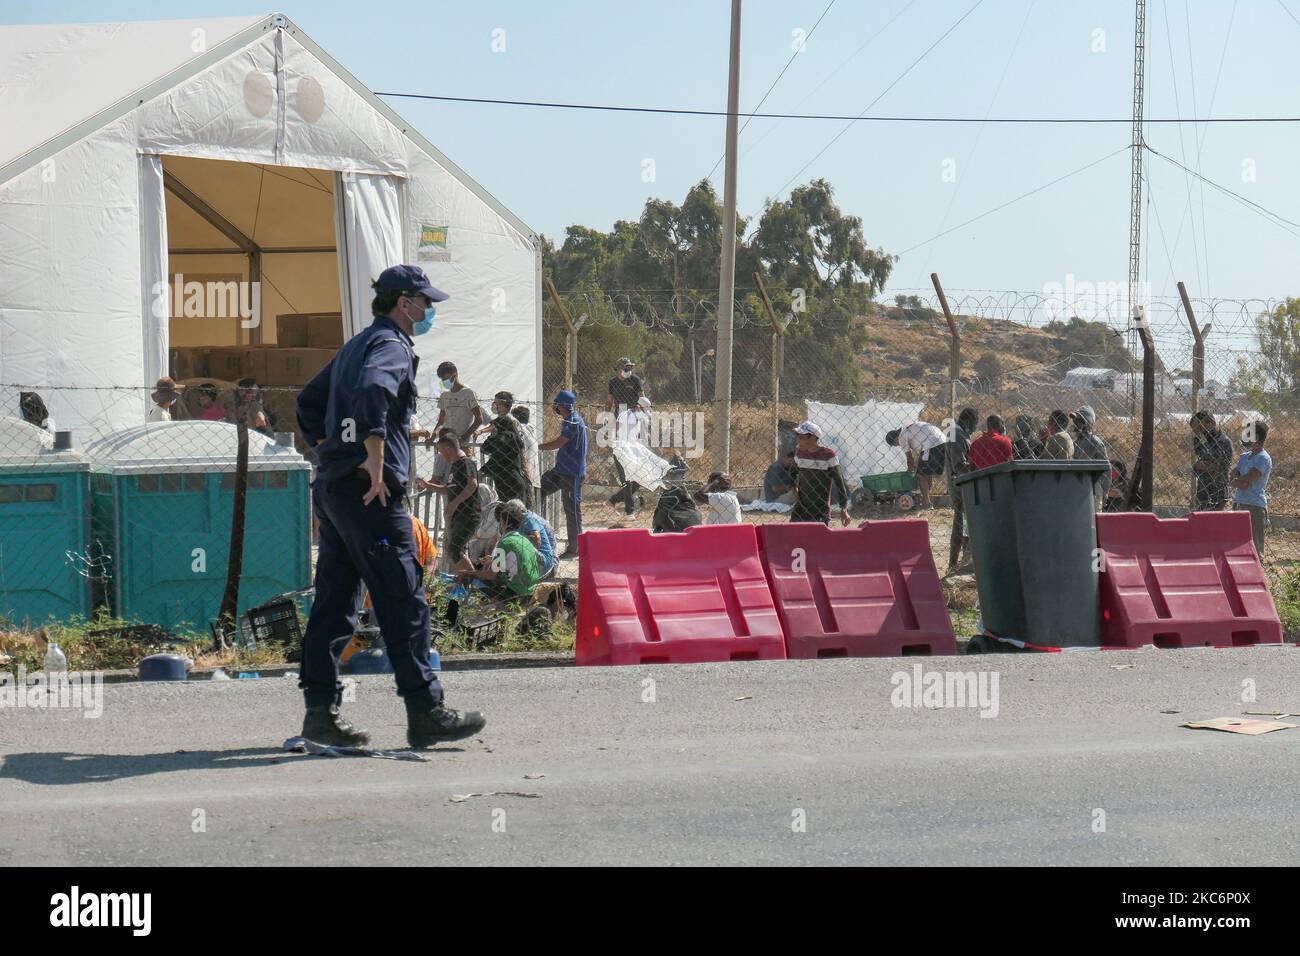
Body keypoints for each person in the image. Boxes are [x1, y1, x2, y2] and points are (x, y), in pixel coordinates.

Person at [295, 263, 484, 749]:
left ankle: (320, 714)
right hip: (371, 495)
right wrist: (373, 459)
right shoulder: (391, 346)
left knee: (335, 602)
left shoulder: (355, 344)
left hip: (337, 490)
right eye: (426, 304)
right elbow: (376, 390)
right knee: (403, 598)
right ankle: (426, 712)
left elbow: (308, 402)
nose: (428, 312)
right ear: (405, 304)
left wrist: (332, 452)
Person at [537, 390, 587, 559]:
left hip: (572, 473)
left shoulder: (573, 421)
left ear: (563, 405)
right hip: (561, 470)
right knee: (539, 487)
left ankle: (575, 548)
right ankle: (540, 530)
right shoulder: (569, 419)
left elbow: (560, 442)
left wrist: (539, 447)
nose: (555, 407)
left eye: (557, 404)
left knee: (572, 510)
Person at [459, 502, 541, 603]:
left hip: (514, 593)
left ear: (504, 522)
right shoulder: (524, 540)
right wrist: (492, 560)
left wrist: (470, 573)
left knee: (473, 584)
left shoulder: (505, 542)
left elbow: (490, 575)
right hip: (530, 592)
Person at [423, 434, 481, 566]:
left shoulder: (465, 462)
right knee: (455, 550)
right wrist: (428, 485)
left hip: (468, 514)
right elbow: (449, 489)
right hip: (458, 515)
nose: (441, 455)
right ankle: (463, 580)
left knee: (455, 549)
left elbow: (472, 484)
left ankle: (471, 580)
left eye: (441, 451)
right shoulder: (454, 466)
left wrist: (454, 504)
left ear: (448, 449)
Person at [791, 421, 851, 526]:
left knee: (818, 538)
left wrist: (844, 508)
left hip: (820, 510)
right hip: (801, 508)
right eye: (798, 437)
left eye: (802, 437)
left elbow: (840, 483)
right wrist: (794, 488)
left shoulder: (828, 456)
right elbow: (793, 472)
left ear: (813, 438)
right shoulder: (799, 453)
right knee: (794, 535)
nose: (799, 441)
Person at [479, 390, 529, 505]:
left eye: (498, 404)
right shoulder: (502, 432)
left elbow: (499, 455)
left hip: (511, 478)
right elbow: (486, 448)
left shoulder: (508, 426)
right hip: (505, 478)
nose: (495, 406)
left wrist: (483, 470)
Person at [1231, 420, 1271, 558]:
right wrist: (1238, 481)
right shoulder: (1244, 457)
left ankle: (1258, 570)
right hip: (1239, 502)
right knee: (1237, 541)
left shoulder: (1263, 458)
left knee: (1255, 543)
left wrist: (1238, 480)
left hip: (1254, 505)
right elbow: (1234, 476)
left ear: (1258, 437)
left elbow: (1248, 479)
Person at [885, 420, 947, 508]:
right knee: (926, 473)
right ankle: (926, 500)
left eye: (896, 445)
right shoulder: (907, 429)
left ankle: (927, 503)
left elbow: (909, 458)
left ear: (895, 439)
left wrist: (909, 472)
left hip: (932, 443)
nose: (898, 445)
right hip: (942, 441)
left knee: (920, 476)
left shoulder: (901, 436)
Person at [608, 394, 653, 515]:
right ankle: (630, 512)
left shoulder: (638, 419)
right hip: (621, 452)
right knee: (627, 481)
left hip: (631, 453)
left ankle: (613, 501)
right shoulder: (626, 415)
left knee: (637, 482)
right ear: (638, 407)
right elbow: (615, 429)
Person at [1191, 410, 1233, 510]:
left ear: (1212, 423)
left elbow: (1216, 467)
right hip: (1203, 492)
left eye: (1200, 428)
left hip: (1217, 492)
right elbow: (1197, 467)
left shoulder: (1223, 441)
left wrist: (1202, 466)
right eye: (1196, 430)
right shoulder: (1202, 441)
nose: (1199, 432)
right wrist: (1198, 466)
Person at [434, 361, 483, 448]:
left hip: (463, 444)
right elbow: (441, 422)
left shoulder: (468, 393)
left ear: (454, 375)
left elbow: (479, 419)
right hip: (446, 442)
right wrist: (432, 437)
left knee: (463, 461)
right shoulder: (444, 395)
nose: (444, 382)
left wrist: (463, 438)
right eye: (442, 380)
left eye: (446, 379)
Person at [1070, 405, 1110, 510]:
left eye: (1078, 421)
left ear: (1087, 423)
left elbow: (1106, 471)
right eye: (1075, 421)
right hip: (1078, 489)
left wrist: (1105, 493)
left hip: (1094, 491)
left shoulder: (1095, 443)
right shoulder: (1075, 442)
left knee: (1094, 522)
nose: (1075, 424)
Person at [506, 498, 558, 578]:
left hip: (545, 560)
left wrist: (518, 539)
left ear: (519, 511)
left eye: (513, 513)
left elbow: (537, 540)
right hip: (545, 558)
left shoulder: (529, 519)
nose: (512, 516)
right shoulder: (525, 518)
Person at [652, 454, 703, 533]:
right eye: (683, 461)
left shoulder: (673, 471)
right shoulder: (675, 470)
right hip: (676, 489)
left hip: (674, 489)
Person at [511, 405, 541, 505]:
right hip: (533, 475)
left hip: (522, 474)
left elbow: (514, 423)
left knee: (520, 504)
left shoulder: (520, 428)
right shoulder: (531, 428)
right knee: (530, 504)